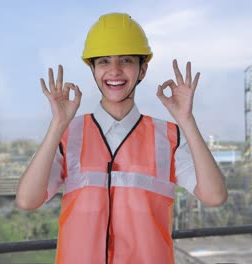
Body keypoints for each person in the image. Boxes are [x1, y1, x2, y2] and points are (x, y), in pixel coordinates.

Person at [16, 12, 227, 264]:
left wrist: (187, 120)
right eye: (104, 61)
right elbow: (28, 200)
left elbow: (215, 196)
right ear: (93, 68)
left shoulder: (169, 137)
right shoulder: (67, 135)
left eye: (126, 60)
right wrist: (57, 124)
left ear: (142, 69)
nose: (114, 70)